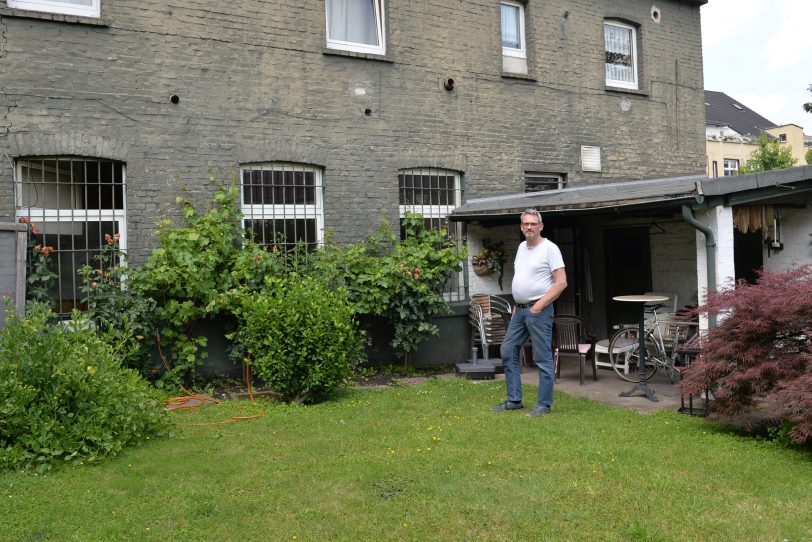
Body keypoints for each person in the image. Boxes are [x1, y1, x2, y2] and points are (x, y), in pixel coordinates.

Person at [492, 209, 567, 416]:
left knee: (542, 357)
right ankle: (514, 400)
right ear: (521, 227)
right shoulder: (521, 247)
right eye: (525, 223)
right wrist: (518, 304)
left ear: (541, 226)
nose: (529, 227)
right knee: (508, 350)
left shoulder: (550, 249)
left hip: (538, 310)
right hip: (520, 310)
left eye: (533, 223)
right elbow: (523, 278)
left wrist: (538, 305)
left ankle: (544, 404)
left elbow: (561, 283)